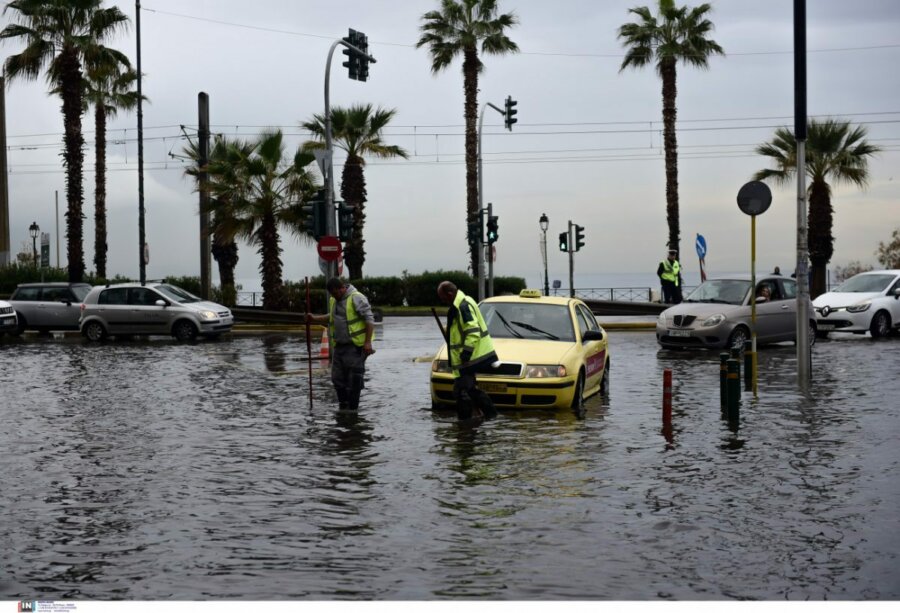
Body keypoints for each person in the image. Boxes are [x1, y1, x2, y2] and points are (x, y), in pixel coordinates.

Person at [307, 277, 376, 412]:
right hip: (339, 346)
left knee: (354, 379)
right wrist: (314, 318)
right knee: (337, 379)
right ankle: (343, 409)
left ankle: (353, 412)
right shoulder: (334, 300)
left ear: (342, 288)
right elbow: (331, 317)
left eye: (336, 293)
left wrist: (367, 342)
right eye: (332, 294)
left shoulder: (356, 298)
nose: (334, 296)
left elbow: (370, 319)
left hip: (355, 347)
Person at [437, 281, 499, 421]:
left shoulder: (463, 306)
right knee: (469, 390)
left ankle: (465, 424)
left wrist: (466, 352)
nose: (442, 300)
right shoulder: (462, 302)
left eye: (443, 297)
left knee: (462, 391)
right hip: (467, 359)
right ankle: (488, 417)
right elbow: (461, 330)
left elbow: (473, 331)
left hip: (470, 357)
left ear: (450, 294)